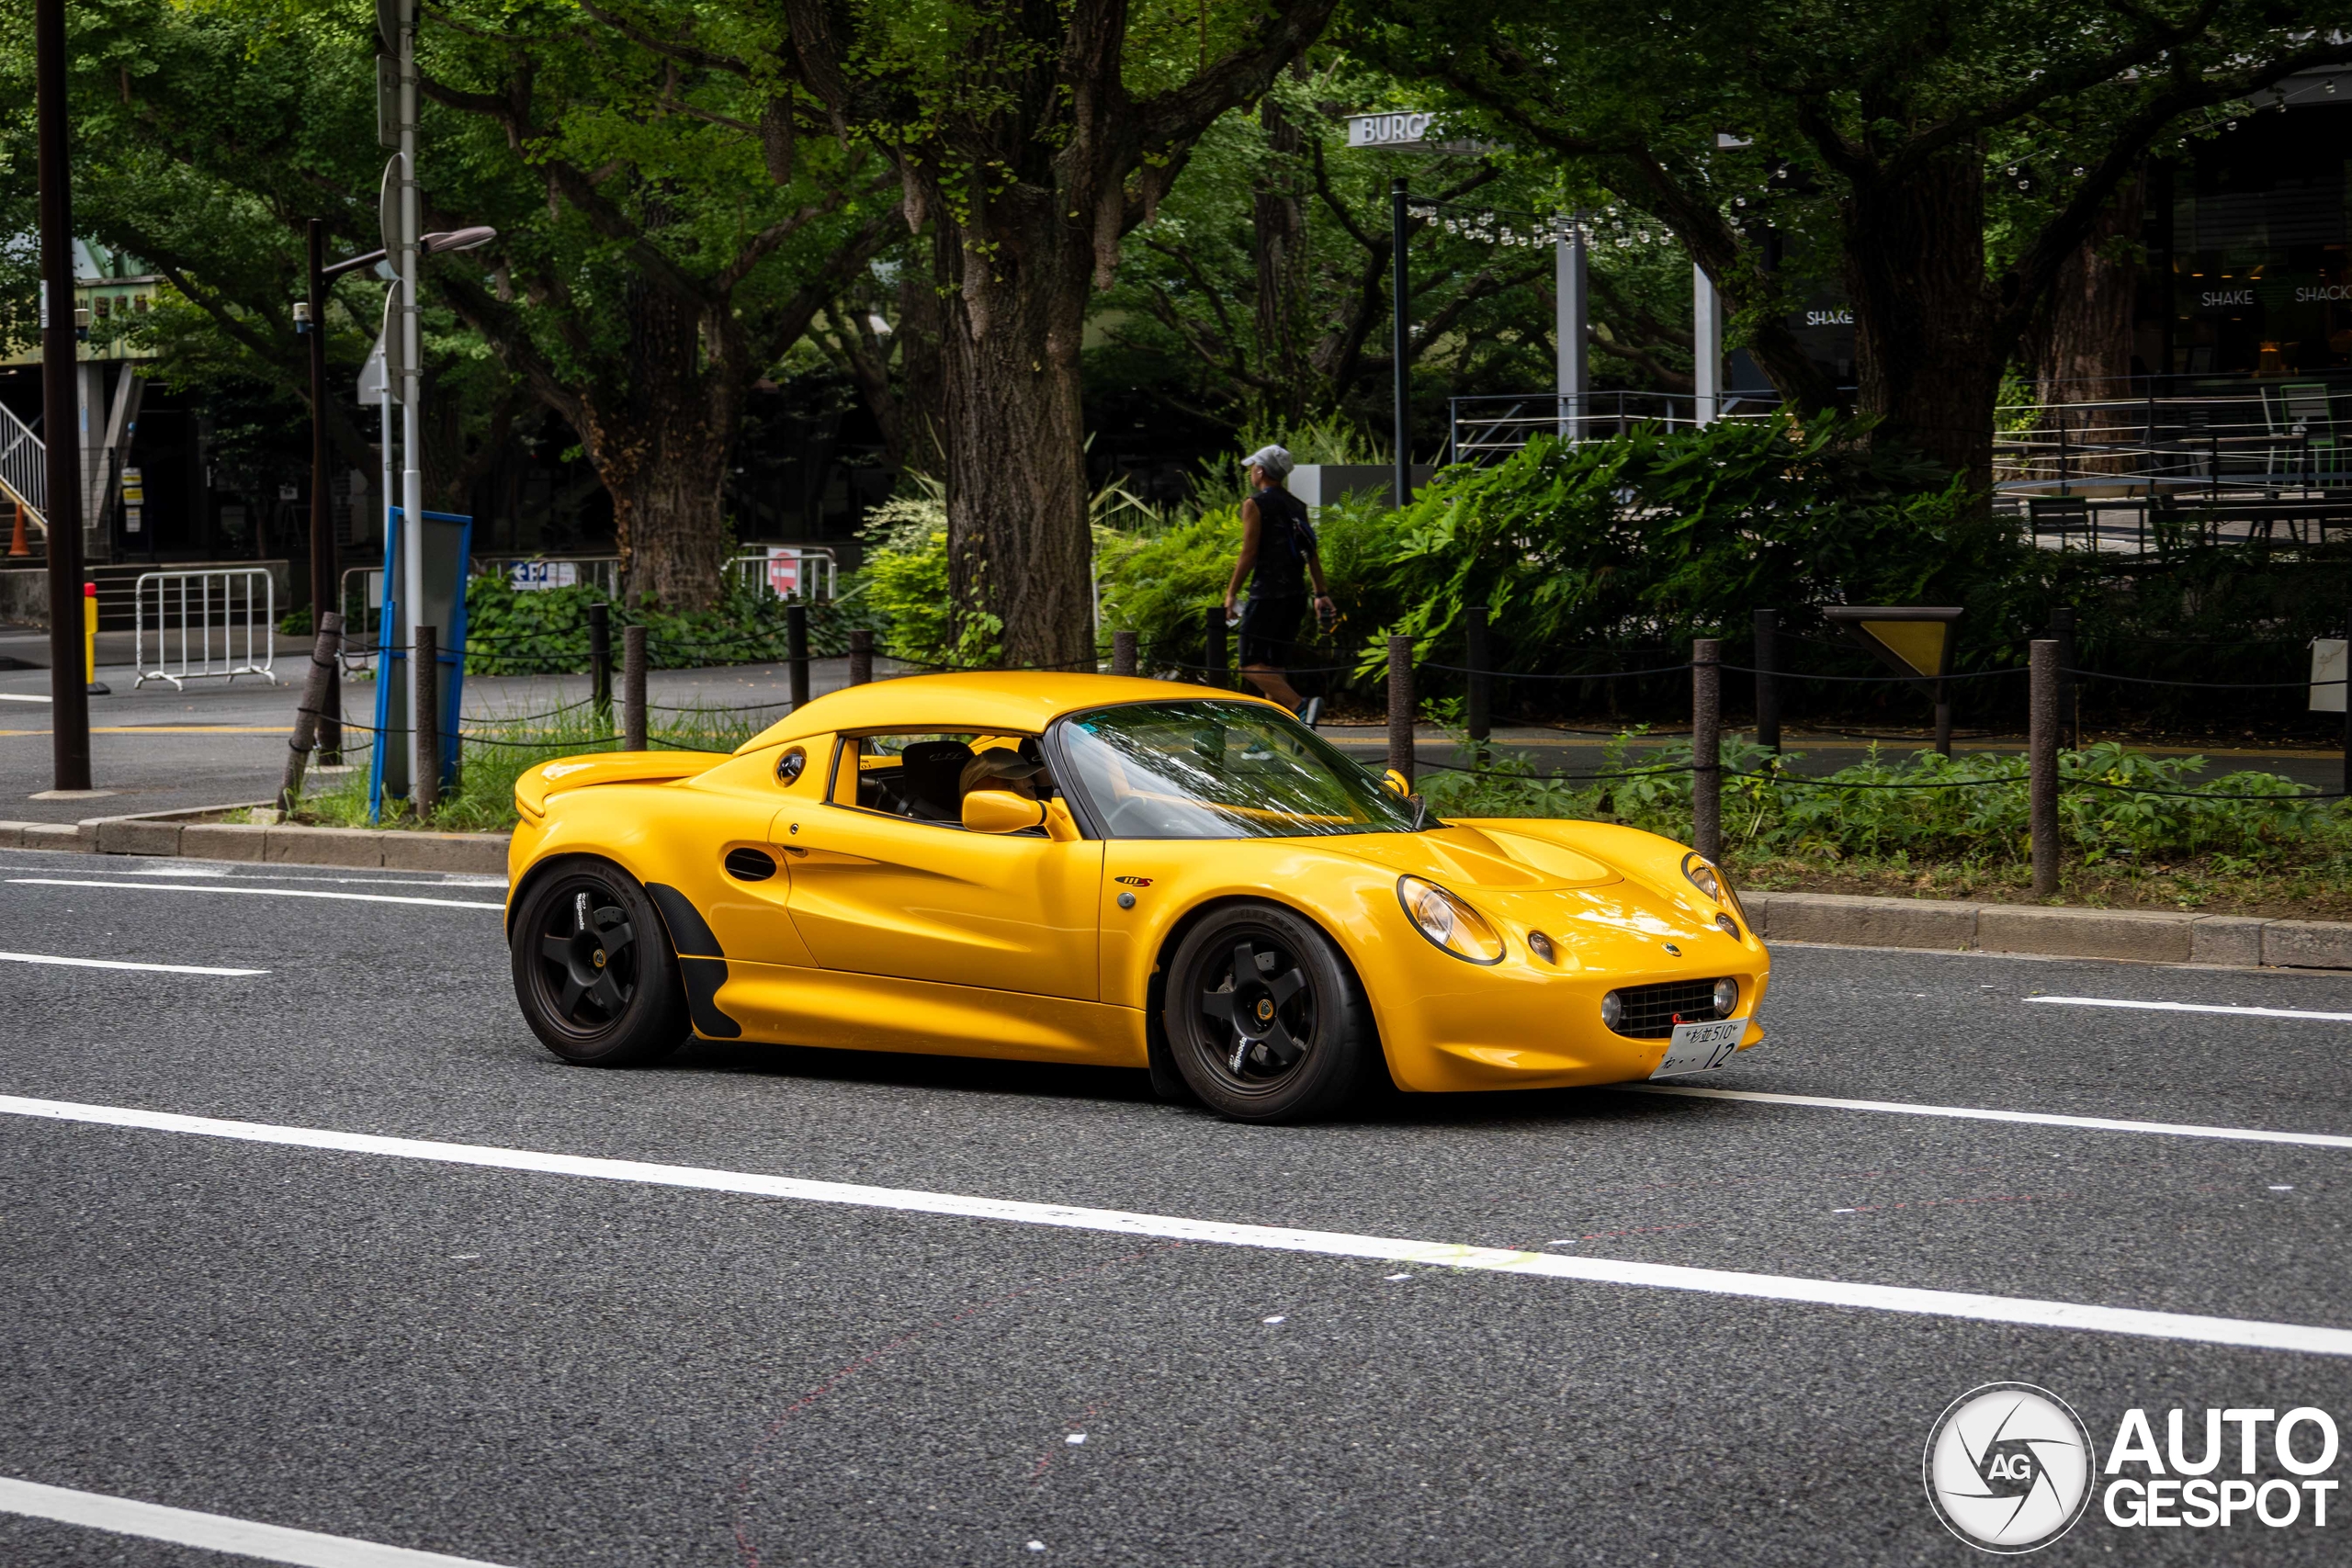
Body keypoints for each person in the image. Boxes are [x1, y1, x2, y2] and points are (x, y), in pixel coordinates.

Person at [1221, 445, 1335, 719]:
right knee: (1273, 667)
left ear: (1260, 471)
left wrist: (1231, 594)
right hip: (1296, 595)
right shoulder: (1296, 505)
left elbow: (1248, 554)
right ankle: (1272, 738)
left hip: (1267, 594)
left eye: (1253, 467)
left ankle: (1300, 706)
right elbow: (1311, 552)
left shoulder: (1255, 504)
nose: (1251, 472)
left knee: (1248, 664)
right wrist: (1321, 593)